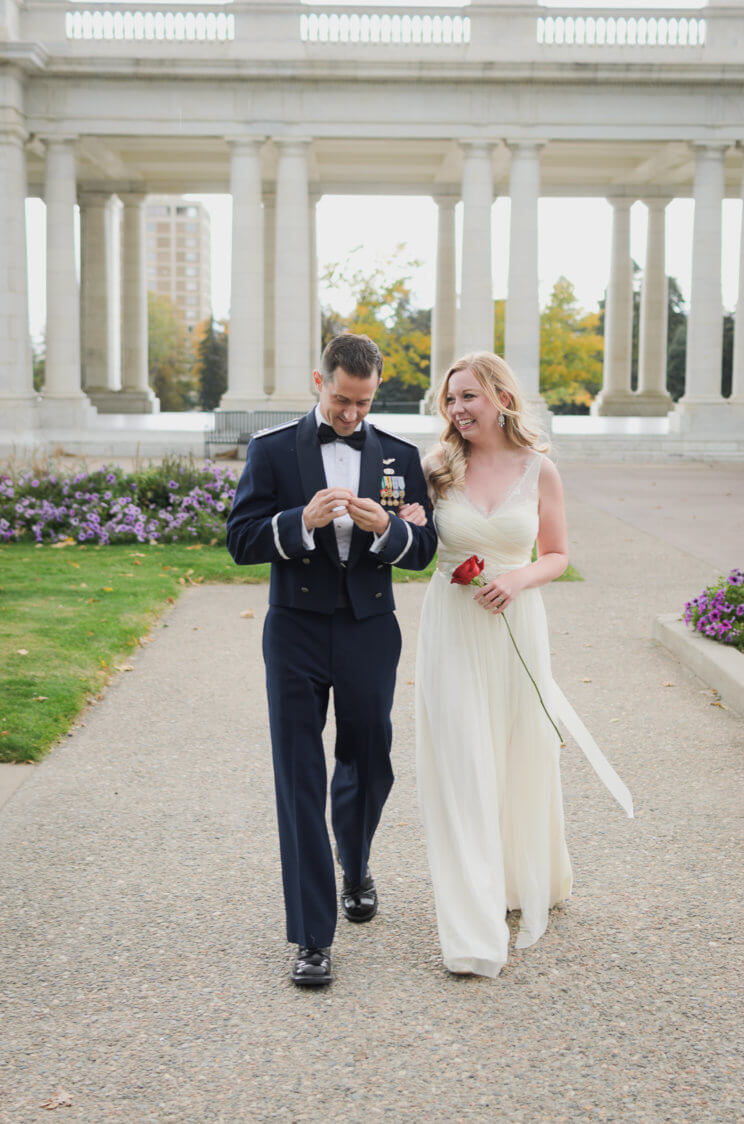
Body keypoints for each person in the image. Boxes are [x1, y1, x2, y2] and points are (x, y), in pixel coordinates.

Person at [226, 332, 437, 988]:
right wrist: (299, 521)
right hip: (295, 629)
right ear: (319, 382)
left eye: (364, 403)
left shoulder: (400, 455)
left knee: (369, 757)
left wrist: (390, 530)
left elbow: (424, 548)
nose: (351, 415)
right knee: (298, 778)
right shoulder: (272, 450)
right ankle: (313, 937)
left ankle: (358, 860)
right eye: (343, 400)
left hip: (370, 628)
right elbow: (239, 539)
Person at [414, 351, 574, 978]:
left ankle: (528, 875)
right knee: (462, 764)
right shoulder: (434, 469)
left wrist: (517, 579)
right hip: (451, 628)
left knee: (518, 754)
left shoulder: (540, 470)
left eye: (468, 397)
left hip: (516, 628)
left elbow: (558, 554)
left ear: (501, 398)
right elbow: (413, 542)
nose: (456, 409)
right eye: (450, 399)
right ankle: (472, 928)